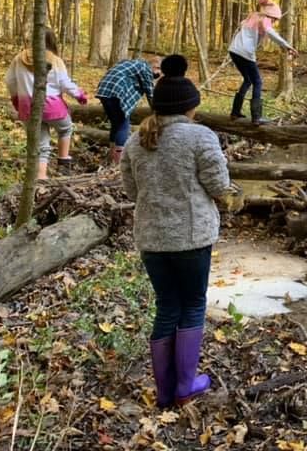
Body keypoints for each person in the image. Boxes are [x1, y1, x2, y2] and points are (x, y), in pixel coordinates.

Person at [120, 54, 231, 408]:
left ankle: (166, 390)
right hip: (192, 237)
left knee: (167, 306)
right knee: (193, 304)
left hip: (152, 238)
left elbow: (131, 191)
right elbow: (218, 184)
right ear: (189, 107)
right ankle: (186, 385)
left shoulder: (137, 141)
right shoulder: (200, 136)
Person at [5, 28, 88, 180]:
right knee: (65, 129)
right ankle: (63, 162)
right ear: (52, 41)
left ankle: (41, 177)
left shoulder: (19, 58)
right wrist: (79, 94)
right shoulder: (55, 60)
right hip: (53, 107)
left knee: (41, 144)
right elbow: (64, 83)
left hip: (28, 107)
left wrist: (17, 98)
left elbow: (9, 81)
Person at [228, 0, 298, 125]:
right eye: (275, 19)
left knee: (248, 80)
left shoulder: (252, 16)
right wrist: (287, 46)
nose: (274, 22)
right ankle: (256, 117)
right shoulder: (264, 19)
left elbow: (242, 26)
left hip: (234, 50)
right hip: (245, 52)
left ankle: (235, 112)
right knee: (258, 82)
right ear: (271, 16)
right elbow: (272, 33)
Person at [95, 55, 163, 165]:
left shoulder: (129, 63)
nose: (157, 75)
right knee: (123, 126)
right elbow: (151, 94)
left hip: (104, 92)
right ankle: (119, 162)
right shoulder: (144, 68)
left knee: (115, 125)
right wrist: (159, 113)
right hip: (117, 93)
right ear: (156, 67)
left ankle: (112, 157)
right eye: (159, 71)